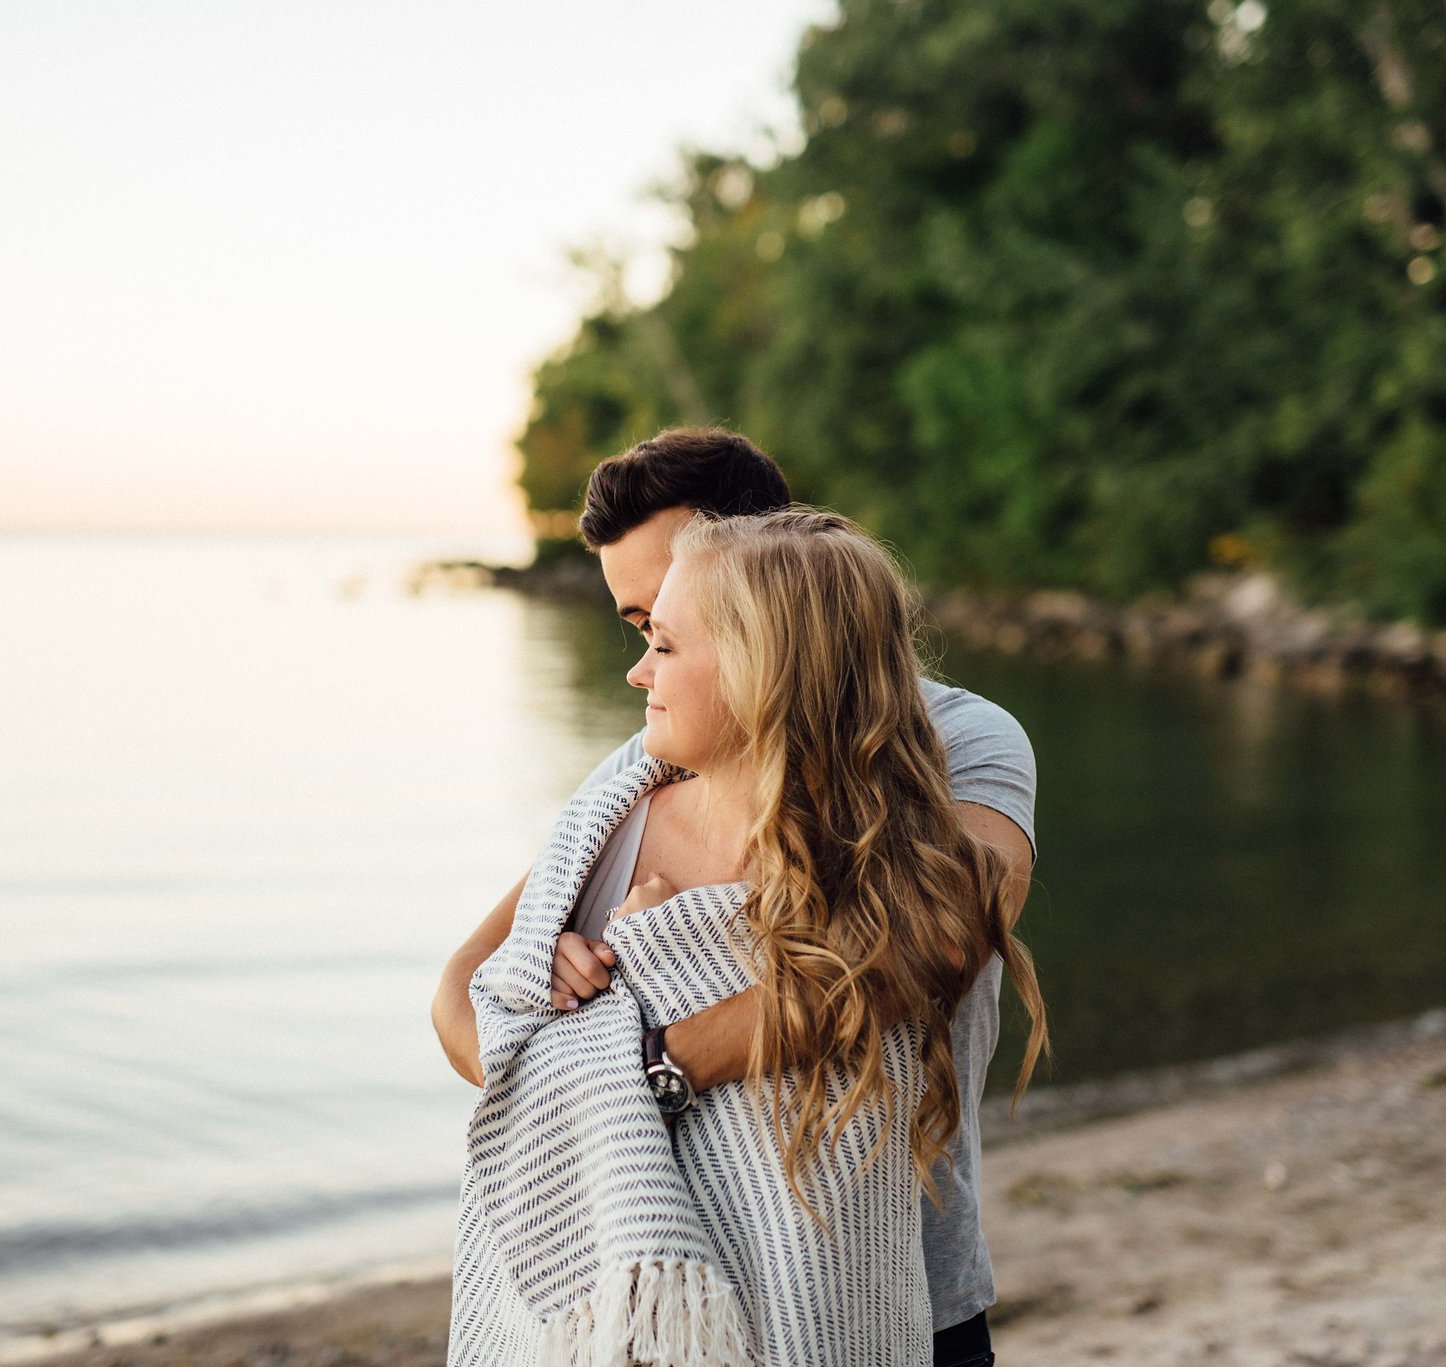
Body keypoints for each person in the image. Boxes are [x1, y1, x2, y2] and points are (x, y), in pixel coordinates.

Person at [433, 430, 1045, 1366]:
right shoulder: (641, 775)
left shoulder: (960, 740)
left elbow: (930, 945)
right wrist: (560, 1019)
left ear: (771, 572)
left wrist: (648, 1064)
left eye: (668, 617)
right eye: (639, 622)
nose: (642, 662)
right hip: (671, 1301)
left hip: (907, 1287)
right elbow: (464, 993)